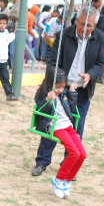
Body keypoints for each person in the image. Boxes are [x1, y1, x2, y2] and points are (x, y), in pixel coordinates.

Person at [46, 6, 104, 141]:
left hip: (82, 91)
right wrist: (55, 83)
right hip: (60, 88)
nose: (84, 28)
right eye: (82, 24)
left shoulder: (100, 38)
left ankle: (69, 160)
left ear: (95, 25)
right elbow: (52, 61)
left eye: (89, 25)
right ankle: (42, 161)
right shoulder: (64, 34)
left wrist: (90, 75)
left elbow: (101, 64)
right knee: (53, 123)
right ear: (76, 21)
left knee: (76, 130)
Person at [33, 68, 84, 198]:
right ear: (50, 83)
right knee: (74, 152)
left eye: (62, 87)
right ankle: (59, 179)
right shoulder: (43, 93)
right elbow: (39, 110)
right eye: (58, 87)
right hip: (55, 126)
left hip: (67, 125)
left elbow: (71, 107)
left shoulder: (63, 93)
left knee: (82, 154)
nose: (60, 90)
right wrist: (47, 100)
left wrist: (72, 93)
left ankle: (67, 181)